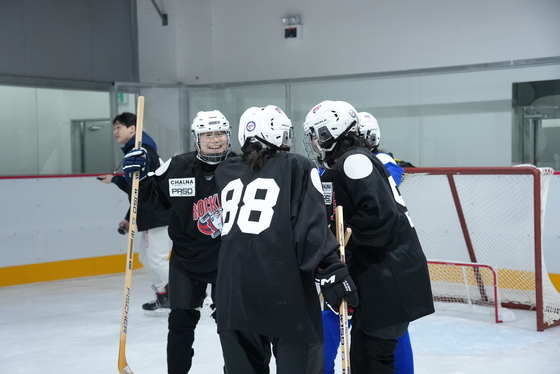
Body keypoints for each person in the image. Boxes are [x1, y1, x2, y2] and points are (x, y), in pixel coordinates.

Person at [213, 105, 359, 374]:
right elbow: (309, 229)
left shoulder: (225, 170)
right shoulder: (297, 165)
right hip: (284, 291)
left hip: (232, 296)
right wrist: (332, 271)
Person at [303, 100, 434, 374]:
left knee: (371, 361)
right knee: (368, 357)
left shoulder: (355, 161)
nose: (316, 142)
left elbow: (379, 220)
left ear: (335, 131)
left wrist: (336, 248)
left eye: (320, 134)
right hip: (386, 280)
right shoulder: (351, 161)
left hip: (390, 282)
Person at [121, 110, 233, 373]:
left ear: (228, 137)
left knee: (232, 326)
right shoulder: (177, 166)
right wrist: (137, 175)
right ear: (197, 138)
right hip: (186, 259)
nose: (214, 140)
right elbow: (150, 199)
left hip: (228, 260)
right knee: (180, 322)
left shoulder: (242, 168)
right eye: (207, 134)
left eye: (219, 134)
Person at [98, 112, 172, 312]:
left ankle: (182, 294)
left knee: (155, 260)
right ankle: (164, 295)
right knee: (146, 259)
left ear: (133, 129)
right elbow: (139, 191)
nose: (115, 132)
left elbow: (138, 188)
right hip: (151, 214)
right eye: (114, 128)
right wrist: (128, 217)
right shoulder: (137, 151)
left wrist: (114, 180)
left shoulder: (142, 152)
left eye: (118, 127)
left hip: (158, 214)